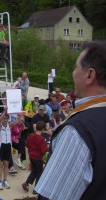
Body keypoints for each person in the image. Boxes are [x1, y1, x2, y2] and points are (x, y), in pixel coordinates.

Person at [35, 42, 106, 199]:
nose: (73, 73)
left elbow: (52, 196)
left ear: (90, 75)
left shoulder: (77, 131)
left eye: (76, 67)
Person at [22, 121, 48, 195]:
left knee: (34, 171)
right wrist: (47, 148)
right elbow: (43, 151)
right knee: (39, 173)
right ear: (43, 129)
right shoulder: (41, 139)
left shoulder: (31, 136)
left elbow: (27, 145)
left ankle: (26, 183)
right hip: (38, 158)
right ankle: (36, 189)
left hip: (31, 157)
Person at [0, 111, 12, 190]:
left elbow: (19, 121)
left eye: (6, 118)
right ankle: (0, 181)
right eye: (3, 118)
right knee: (0, 164)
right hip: (2, 146)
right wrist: (5, 111)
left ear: (8, 119)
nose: (4, 120)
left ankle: (5, 180)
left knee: (6, 163)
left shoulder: (10, 125)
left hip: (8, 145)